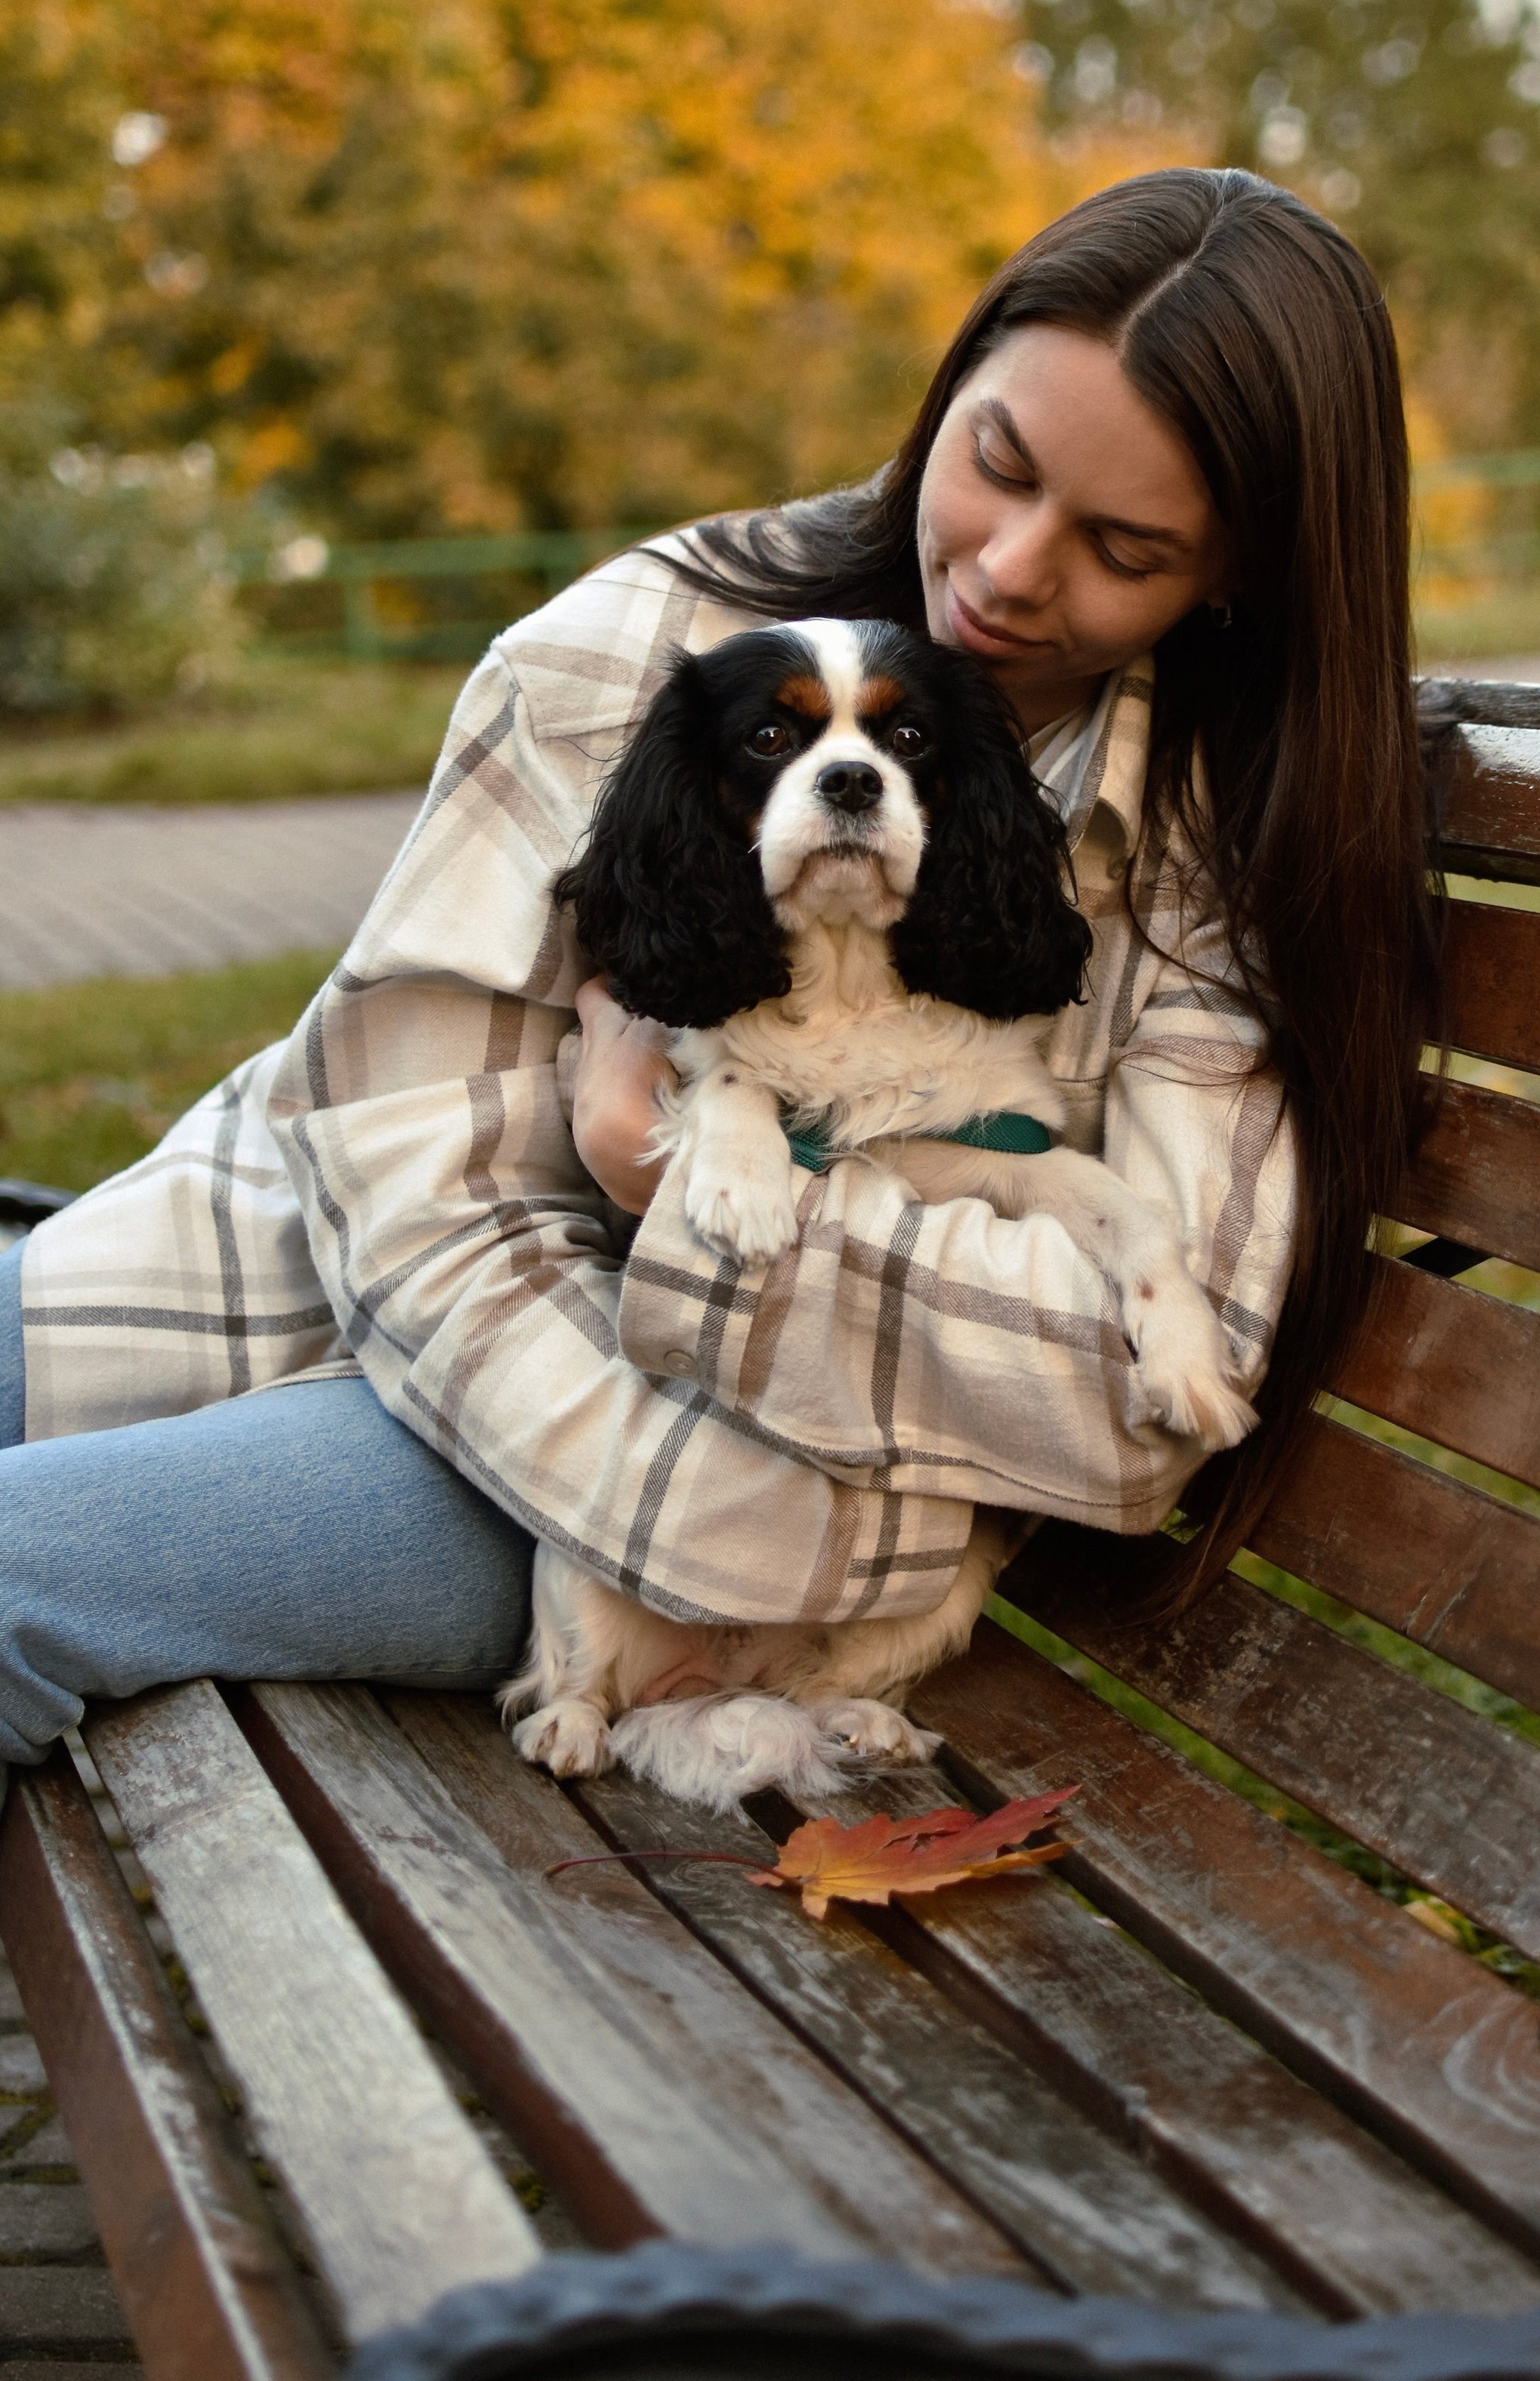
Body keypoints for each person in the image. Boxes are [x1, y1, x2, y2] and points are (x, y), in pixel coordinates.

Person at [0, 167, 1431, 1769]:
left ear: (1233, 571)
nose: (1014, 568)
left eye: (1122, 545)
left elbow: (1143, 1384)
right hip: (239, 1272)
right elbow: (401, 1167)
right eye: (996, 463)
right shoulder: (631, 644)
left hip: (597, 1478)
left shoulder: (1217, 855)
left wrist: (659, 1200)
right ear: (952, 378)